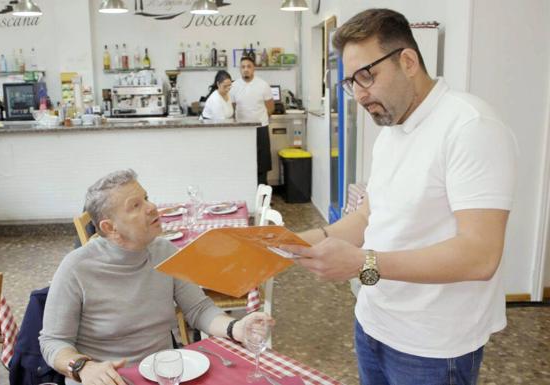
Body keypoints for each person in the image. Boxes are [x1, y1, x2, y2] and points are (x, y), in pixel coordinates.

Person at [281, 8, 517, 385]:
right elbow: (367, 219)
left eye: (366, 76)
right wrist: (287, 244)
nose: (359, 94)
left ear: (407, 61)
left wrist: (362, 263)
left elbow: (480, 255)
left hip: (433, 347)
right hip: (373, 323)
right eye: (350, 82)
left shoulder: (471, 126)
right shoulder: (393, 130)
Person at [39, 169, 271, 385]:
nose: (151, 207)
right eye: (136, 205)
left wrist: (235, 328)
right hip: (108, 380)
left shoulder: (164, 251)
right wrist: (82, 366)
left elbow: (199, 309)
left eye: (146, 198)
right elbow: (52, 342)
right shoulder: (77, 268)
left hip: (163, 374)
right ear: (110, 227)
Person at [230, 56, 275, 185]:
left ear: (253, 68)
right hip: (242, 129)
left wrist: (259, 119)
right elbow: (232, 108)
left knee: (262, 161)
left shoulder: (263, 85)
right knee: (243, 160)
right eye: (243, 67)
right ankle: (245, 189)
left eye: (249, 66)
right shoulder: (234, 86)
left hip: (260, 128)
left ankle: (262, 193)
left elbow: (270, 107)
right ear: (240, 69)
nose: (246, 70)